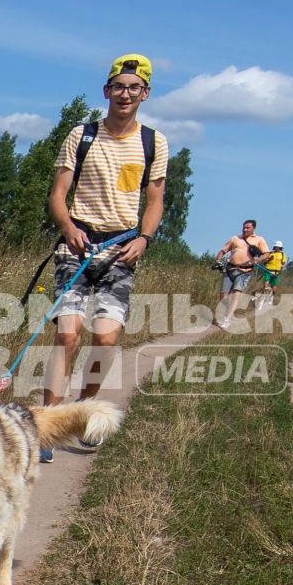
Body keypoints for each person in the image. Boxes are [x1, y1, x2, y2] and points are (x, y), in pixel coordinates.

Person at [41, 53, 169, 460]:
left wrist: (145, 238)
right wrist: (69, 229)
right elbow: (57, 195)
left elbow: (155, 199)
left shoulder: (154, 142)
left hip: (122, 250)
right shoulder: (82, 135)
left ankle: (86, 413)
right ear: (106, 91)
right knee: (67, 334)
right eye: (118, 86)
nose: (125, 94)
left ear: (145, 93)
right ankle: (47, 423)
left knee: (107, 336)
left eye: (134, 87)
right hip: (75, 247)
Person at [215, 219, 268, 328]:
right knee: (224, 296)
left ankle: (227, 319)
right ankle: (226, 312)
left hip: (245, 271)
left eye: (248, 227)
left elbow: (266, 254)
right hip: (229, 269)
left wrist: (257, 260)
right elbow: (222, 251)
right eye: (244, 227)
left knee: (236, 294)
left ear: (253, 228)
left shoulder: (259, 240)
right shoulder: (235, 238)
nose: (245, 229)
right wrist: (218, 261)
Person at [255, 239, 288, 311]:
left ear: (280, 248)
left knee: (274, 288)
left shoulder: (282, 254)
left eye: (278, 247)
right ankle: (261, 302)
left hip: (276, 273)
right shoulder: (270, 253)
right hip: (268, 271)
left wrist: (283, 267)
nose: (276, 248)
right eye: (276, 246)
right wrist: (269, 259)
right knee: (266, 287)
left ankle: (271, 298)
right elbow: (263, 262)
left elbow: (284, 263)